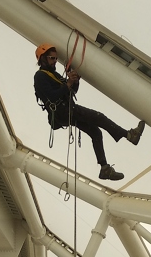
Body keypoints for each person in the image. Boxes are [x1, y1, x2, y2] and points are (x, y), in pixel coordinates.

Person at [34, 43, 145, 181]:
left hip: (65, 111)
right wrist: (68, 84)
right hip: (62, 111)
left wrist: (74, 82)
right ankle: (128, 135)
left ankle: (104, 168)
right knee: (99, 117)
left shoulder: (53, 75)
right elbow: (51, 95)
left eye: (55, 59)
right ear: (43, 59)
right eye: (52, 58)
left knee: (95, 132)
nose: (54, 61)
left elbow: (71, 91)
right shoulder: (40, 76)